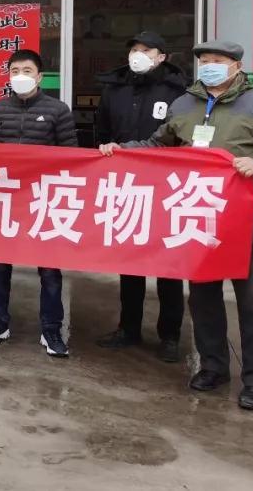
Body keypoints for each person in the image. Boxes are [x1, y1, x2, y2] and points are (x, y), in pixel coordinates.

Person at [100, 40, 253, 411]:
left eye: (218, 60)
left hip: (247, 219)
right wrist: (123, 150)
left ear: (236, 66)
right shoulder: (184, 105)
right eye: (205, 60)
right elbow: (159, 145)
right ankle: (213, 366)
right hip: (198, 217)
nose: (210, 66)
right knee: (203, 297)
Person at [93, 31, 188, 362]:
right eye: (134, 49)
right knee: (129, 260)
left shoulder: (178, 92)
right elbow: (103, 130)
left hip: (166, 187)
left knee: (168, 264)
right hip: (126, 184)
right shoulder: (115, 88)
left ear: (162, 56)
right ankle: (128, 328)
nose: (138, 54)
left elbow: (183, 137)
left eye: (146, 50)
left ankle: (170, 335)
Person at [0, 49, 77, 358]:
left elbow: (70, 157)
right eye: (15, 71)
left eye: (27, 71)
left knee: (49, 270)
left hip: (44, 200)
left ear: (39, 76)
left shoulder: (58, 110)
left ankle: (51, 329)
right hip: (6, 198)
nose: (20, 76)